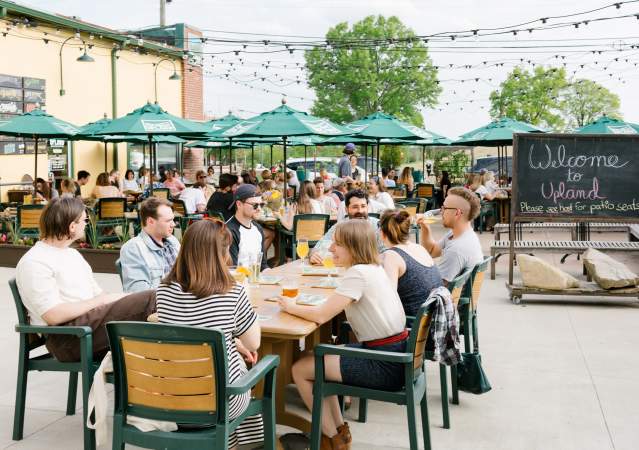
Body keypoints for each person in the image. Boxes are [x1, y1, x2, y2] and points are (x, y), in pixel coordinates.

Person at [278, 220, 406, 450]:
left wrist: (289, 306)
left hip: (384, 363)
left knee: (299, 369)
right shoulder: (373, 268)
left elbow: (320, 315)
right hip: (394, 355)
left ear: (353, 246)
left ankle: (331, 439)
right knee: (312, 356)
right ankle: (338, 434)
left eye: (337, 244)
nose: (330, 249)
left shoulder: (357, 274)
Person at [157, 219, 263, 450]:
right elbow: (254, 342)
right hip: (219, 403)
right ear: (220, 254)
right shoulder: (233, 291)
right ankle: (234, 443)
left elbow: (191, 327)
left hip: (170, 402)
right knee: (250, 370)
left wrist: (232, 341)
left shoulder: (163, 291)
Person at [15, 197, 156, 362]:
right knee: (152, 299)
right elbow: (53, 315)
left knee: (155, 301)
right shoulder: (34, 261)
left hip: (89, 325)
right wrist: (101, 300)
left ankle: (162, 375)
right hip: (69, 338)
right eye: (84, 220)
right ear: (72, 226)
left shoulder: (72, 254)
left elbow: (99, 295)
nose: (87, 223)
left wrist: (121, 299)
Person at [379, 209, 443, 316]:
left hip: (413, 325)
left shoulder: (391, 256)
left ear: (382, 233)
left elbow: (389, 299)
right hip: (433, 319)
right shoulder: (419, 248)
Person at [417, 186, 483, 284]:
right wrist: (425, 226)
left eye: (444, 208)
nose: (441, 212)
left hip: (447, 297)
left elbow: (437, 287)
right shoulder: (460, 234)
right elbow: (432, 251)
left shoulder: (456, 249)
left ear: (457, 213)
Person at [119, 197, 180, 293]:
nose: (173, 224)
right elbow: (138, 293)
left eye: (173, 220)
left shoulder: (173, 241)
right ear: (150, 221)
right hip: (160, 305)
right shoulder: (134, 248)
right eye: (168, 221)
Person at [311, 189, 385, 264]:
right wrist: (313, 255)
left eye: (363, 206)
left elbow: (386, 252)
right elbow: (318, 247)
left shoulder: (377, 226)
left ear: (367, 207)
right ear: (346, 209)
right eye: (355, 207)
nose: (360, 211)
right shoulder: (340, 226)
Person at [226, 184, 268, 271]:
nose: (259, 209)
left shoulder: (258, 229)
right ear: (239, 204)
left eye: (261, 205)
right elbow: (232, 270)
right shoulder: (229, 232)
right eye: (255, 205)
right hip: (239, 282)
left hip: (256, 280)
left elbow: (263, 265)